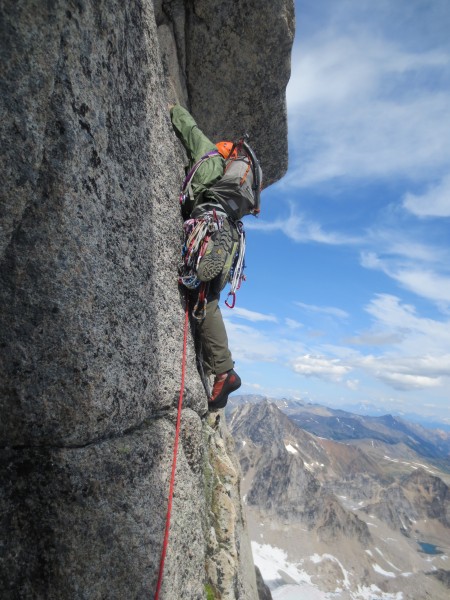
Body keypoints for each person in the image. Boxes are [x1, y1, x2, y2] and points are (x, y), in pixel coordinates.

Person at [170, 103, 261, 410]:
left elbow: (191, 131)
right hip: (230, 235)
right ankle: (220, 368)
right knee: (208, 300)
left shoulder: (210, 158)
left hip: (210, 226)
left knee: (203, 296)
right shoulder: (233, 186)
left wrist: (174, 109)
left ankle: (223, 369)